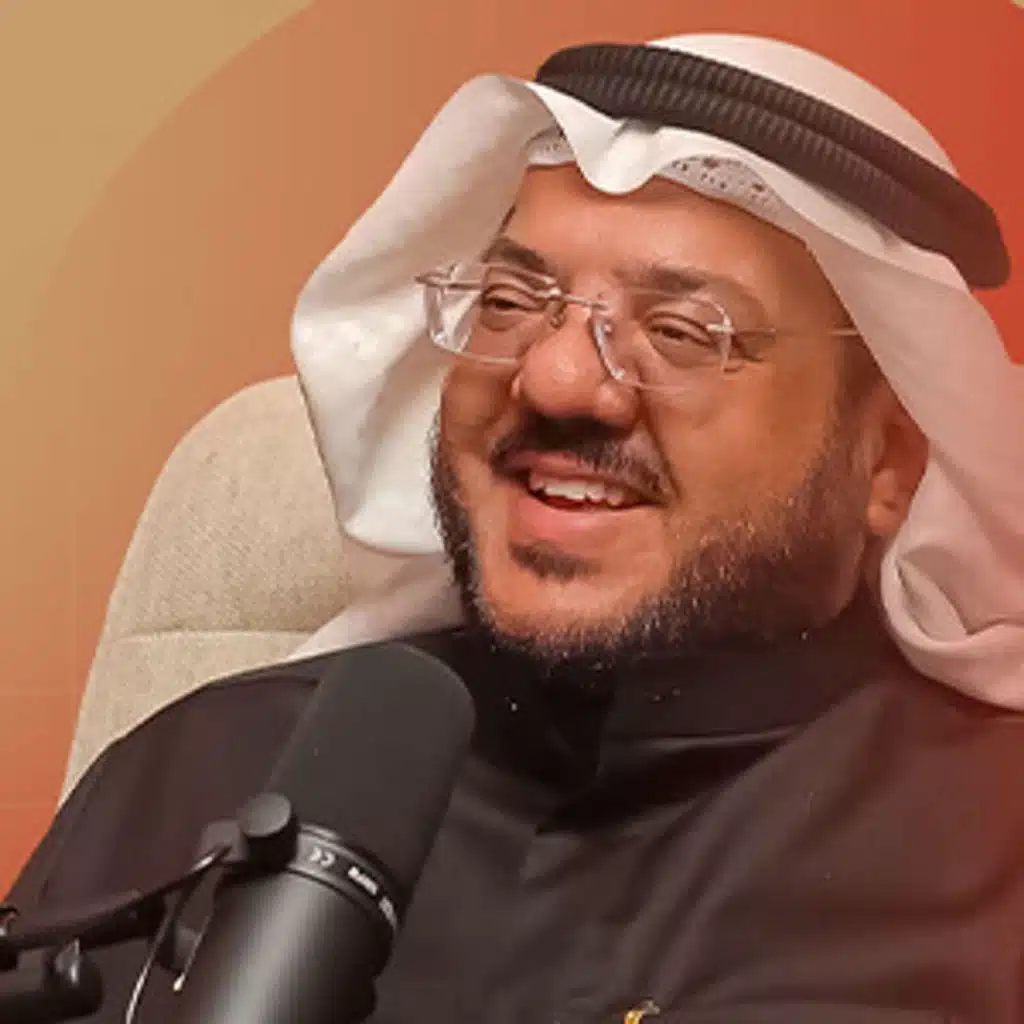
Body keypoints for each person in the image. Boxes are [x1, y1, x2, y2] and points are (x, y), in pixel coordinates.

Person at [6, 31, 1024, 1023]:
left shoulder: (991, 854)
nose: (555, 379)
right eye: (510, 301)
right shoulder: (198, 768)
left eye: (680, 331)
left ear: (888, 464)